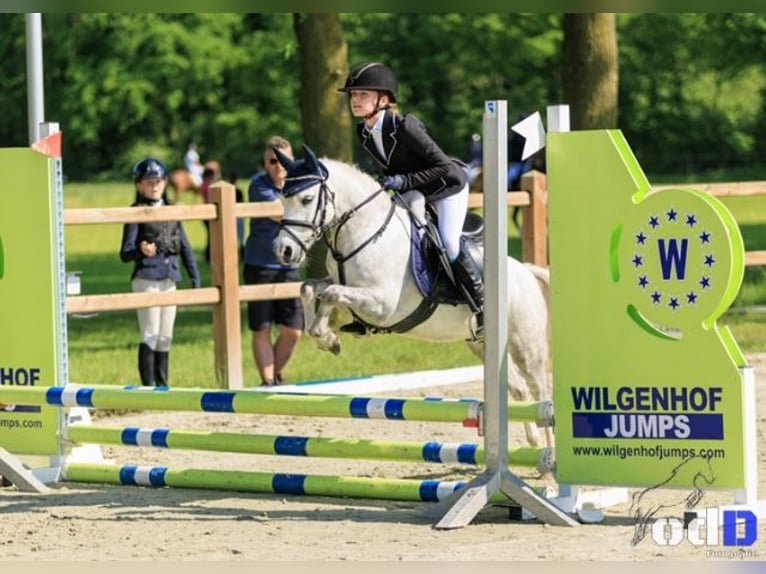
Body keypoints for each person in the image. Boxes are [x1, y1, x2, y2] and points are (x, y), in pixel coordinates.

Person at [338, 62, 484, 339]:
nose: (355, 101)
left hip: (447, 187)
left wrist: (403, 182)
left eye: (362, 95)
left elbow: (442, 165)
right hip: (415, 191)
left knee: (449, 242)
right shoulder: (364, 132)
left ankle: (482, 306)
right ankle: (366, 314)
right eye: (353, 95)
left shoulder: (406, 126)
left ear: (383, 99)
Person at [119, 158, 201, 387]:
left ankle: (163, 385)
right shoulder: (135, 212)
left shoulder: (172, 210)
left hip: (170, 276)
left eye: (158, 181)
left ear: (165, 183)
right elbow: (124, 252)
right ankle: (148, 387)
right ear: (138, 185)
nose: (154, 186)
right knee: (150, 332)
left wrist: (195, 279)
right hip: (146, 277)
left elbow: (184, 246)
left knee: (166, 335)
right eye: (148, 182)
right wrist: (140, 249)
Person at [242, 136, 304, 387]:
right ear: (265, 164)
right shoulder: (258, 185)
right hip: (261, 264)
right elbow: (282, 214)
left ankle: (273, 375)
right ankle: (268, 381)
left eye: (285, 161)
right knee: (262, 327)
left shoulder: (299, 183)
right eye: (273, 161)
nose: (279, 166)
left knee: (294, 330)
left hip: (289, 265)